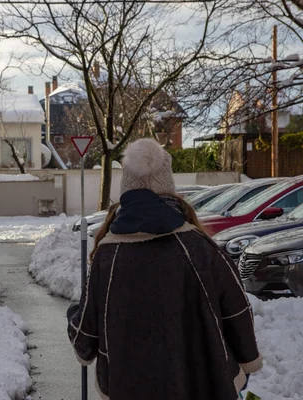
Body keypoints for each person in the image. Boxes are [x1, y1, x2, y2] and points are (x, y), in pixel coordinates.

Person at [67, 138, 262, 400]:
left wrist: (73, 316)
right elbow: (237, 309)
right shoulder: (199, 247)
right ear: (169, 189)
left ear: (126, 192)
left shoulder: (108, 255)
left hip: (129, 387)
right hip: (203, 384)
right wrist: (246, 360)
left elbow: (85, 338)